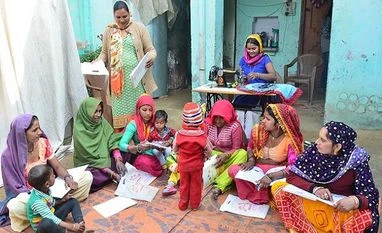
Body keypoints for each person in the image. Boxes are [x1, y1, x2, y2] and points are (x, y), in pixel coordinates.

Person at [272, 121, 380, 233]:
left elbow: (371, 195)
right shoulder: (314, 151)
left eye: (323, 140)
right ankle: (307, 226)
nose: (317, 142)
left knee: (366, 217)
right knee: (278, 187)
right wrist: (315, 188)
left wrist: (354, 201)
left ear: (337, 146)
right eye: (319, 138)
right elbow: (292, 176)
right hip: (316, 199)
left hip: (340, 209)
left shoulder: (356, 160)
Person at [0, 114, 92, 232]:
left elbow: (57, 167)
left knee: (86, 177)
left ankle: (57, 204)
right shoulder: (8, 156)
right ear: (21, 134)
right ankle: (49, 206)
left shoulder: (43, 143)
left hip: (49, 188)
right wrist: (41, 195)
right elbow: (15, 188)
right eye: (34, 130)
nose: (39, 132)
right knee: (15, 206)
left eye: (39, 128)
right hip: (30, 196)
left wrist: (68, 179)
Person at [97, 0, 157, 130]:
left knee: (141, 112)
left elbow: (151, 50)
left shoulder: (139, 28)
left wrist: (151, 58)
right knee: (119, 114)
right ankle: (122, 144)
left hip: (137, 82)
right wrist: (96, 64)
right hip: (117, 85)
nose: (122, 20)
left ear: (130, 13)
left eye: (125, 16)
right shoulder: (109, 31)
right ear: (114, 16)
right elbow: (104, 54)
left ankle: (141, 140)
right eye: (118, 17)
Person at [228, 104, 303, 204]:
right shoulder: (257, 130)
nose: (263, 121)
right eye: (263, 117)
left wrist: (271, 176)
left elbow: (293, 167)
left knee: (289, 181)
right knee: (233, 170)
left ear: (278, 124)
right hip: (256, 168)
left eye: (267, 119)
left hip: (277, 170)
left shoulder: (290, 140)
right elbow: (250, 147)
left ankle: (259, 190)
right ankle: (261, 190)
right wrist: (251, 160)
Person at [73, 97, 127, 193]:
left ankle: (116, 171)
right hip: (92, 165)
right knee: (90, 177)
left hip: (105, 158)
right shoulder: (79, 131)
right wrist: (113, 174)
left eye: (100, 111)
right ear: (86, 113)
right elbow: (91, 159)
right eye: (95, 111)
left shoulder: (101, 121)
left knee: (125, 152)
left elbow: (111, 139)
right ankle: (113, 175)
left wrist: (118, 159)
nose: (98, 115)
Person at [204, 100, 248, 199]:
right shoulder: (207, 123)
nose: (218, 121)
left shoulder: (235, 126)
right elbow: (203, 142)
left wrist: (225, 155)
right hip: (211, 156)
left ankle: (220, 185)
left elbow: (236, 149)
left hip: (228, 158)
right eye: (216, 117)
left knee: (243, 154)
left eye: (221, 118)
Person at [175, 102, 213, 210]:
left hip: (183, 165)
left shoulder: (179, 134)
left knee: (184, 185)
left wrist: (180, 154)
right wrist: (206, 155)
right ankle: (195, 205)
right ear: (199, 120)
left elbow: (175, 149)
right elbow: (209, 151)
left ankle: (182, 205)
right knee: (196, 185)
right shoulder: (202, 136)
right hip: (196, 166)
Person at [26, 165, 85, 233]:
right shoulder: (36, 202)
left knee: (72, 201)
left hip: (52, 214)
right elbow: (51, 218)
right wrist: (72, 227)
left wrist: (64, 199)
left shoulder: (45, 190)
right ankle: (64, 231)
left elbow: (51, 202)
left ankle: (80, 224)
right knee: (46, 223)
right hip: (44, 226)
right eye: (52, 175)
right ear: (47, 184)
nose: (54, 176)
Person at [119, 94, 162, 177]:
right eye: (144, 110)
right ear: (138, 109)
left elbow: (166, 132)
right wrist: (137, 148)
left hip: (157, 153)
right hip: (143, 154)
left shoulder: (155, 120)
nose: (148, 113)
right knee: (144, 162)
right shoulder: (133, 124)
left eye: (150, 110)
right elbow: (121, 145)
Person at [233, 33, 277, 108]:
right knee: (235, 105)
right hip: (247, 91)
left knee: (247, 106)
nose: (251, 51)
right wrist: (242, 79)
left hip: (261, 92)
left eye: (254, 48)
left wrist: (257, 75)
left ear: (259, 47)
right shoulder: (243, 60)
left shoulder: (265, 59)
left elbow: (273, 76)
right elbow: (239, 74)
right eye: (248, 49)